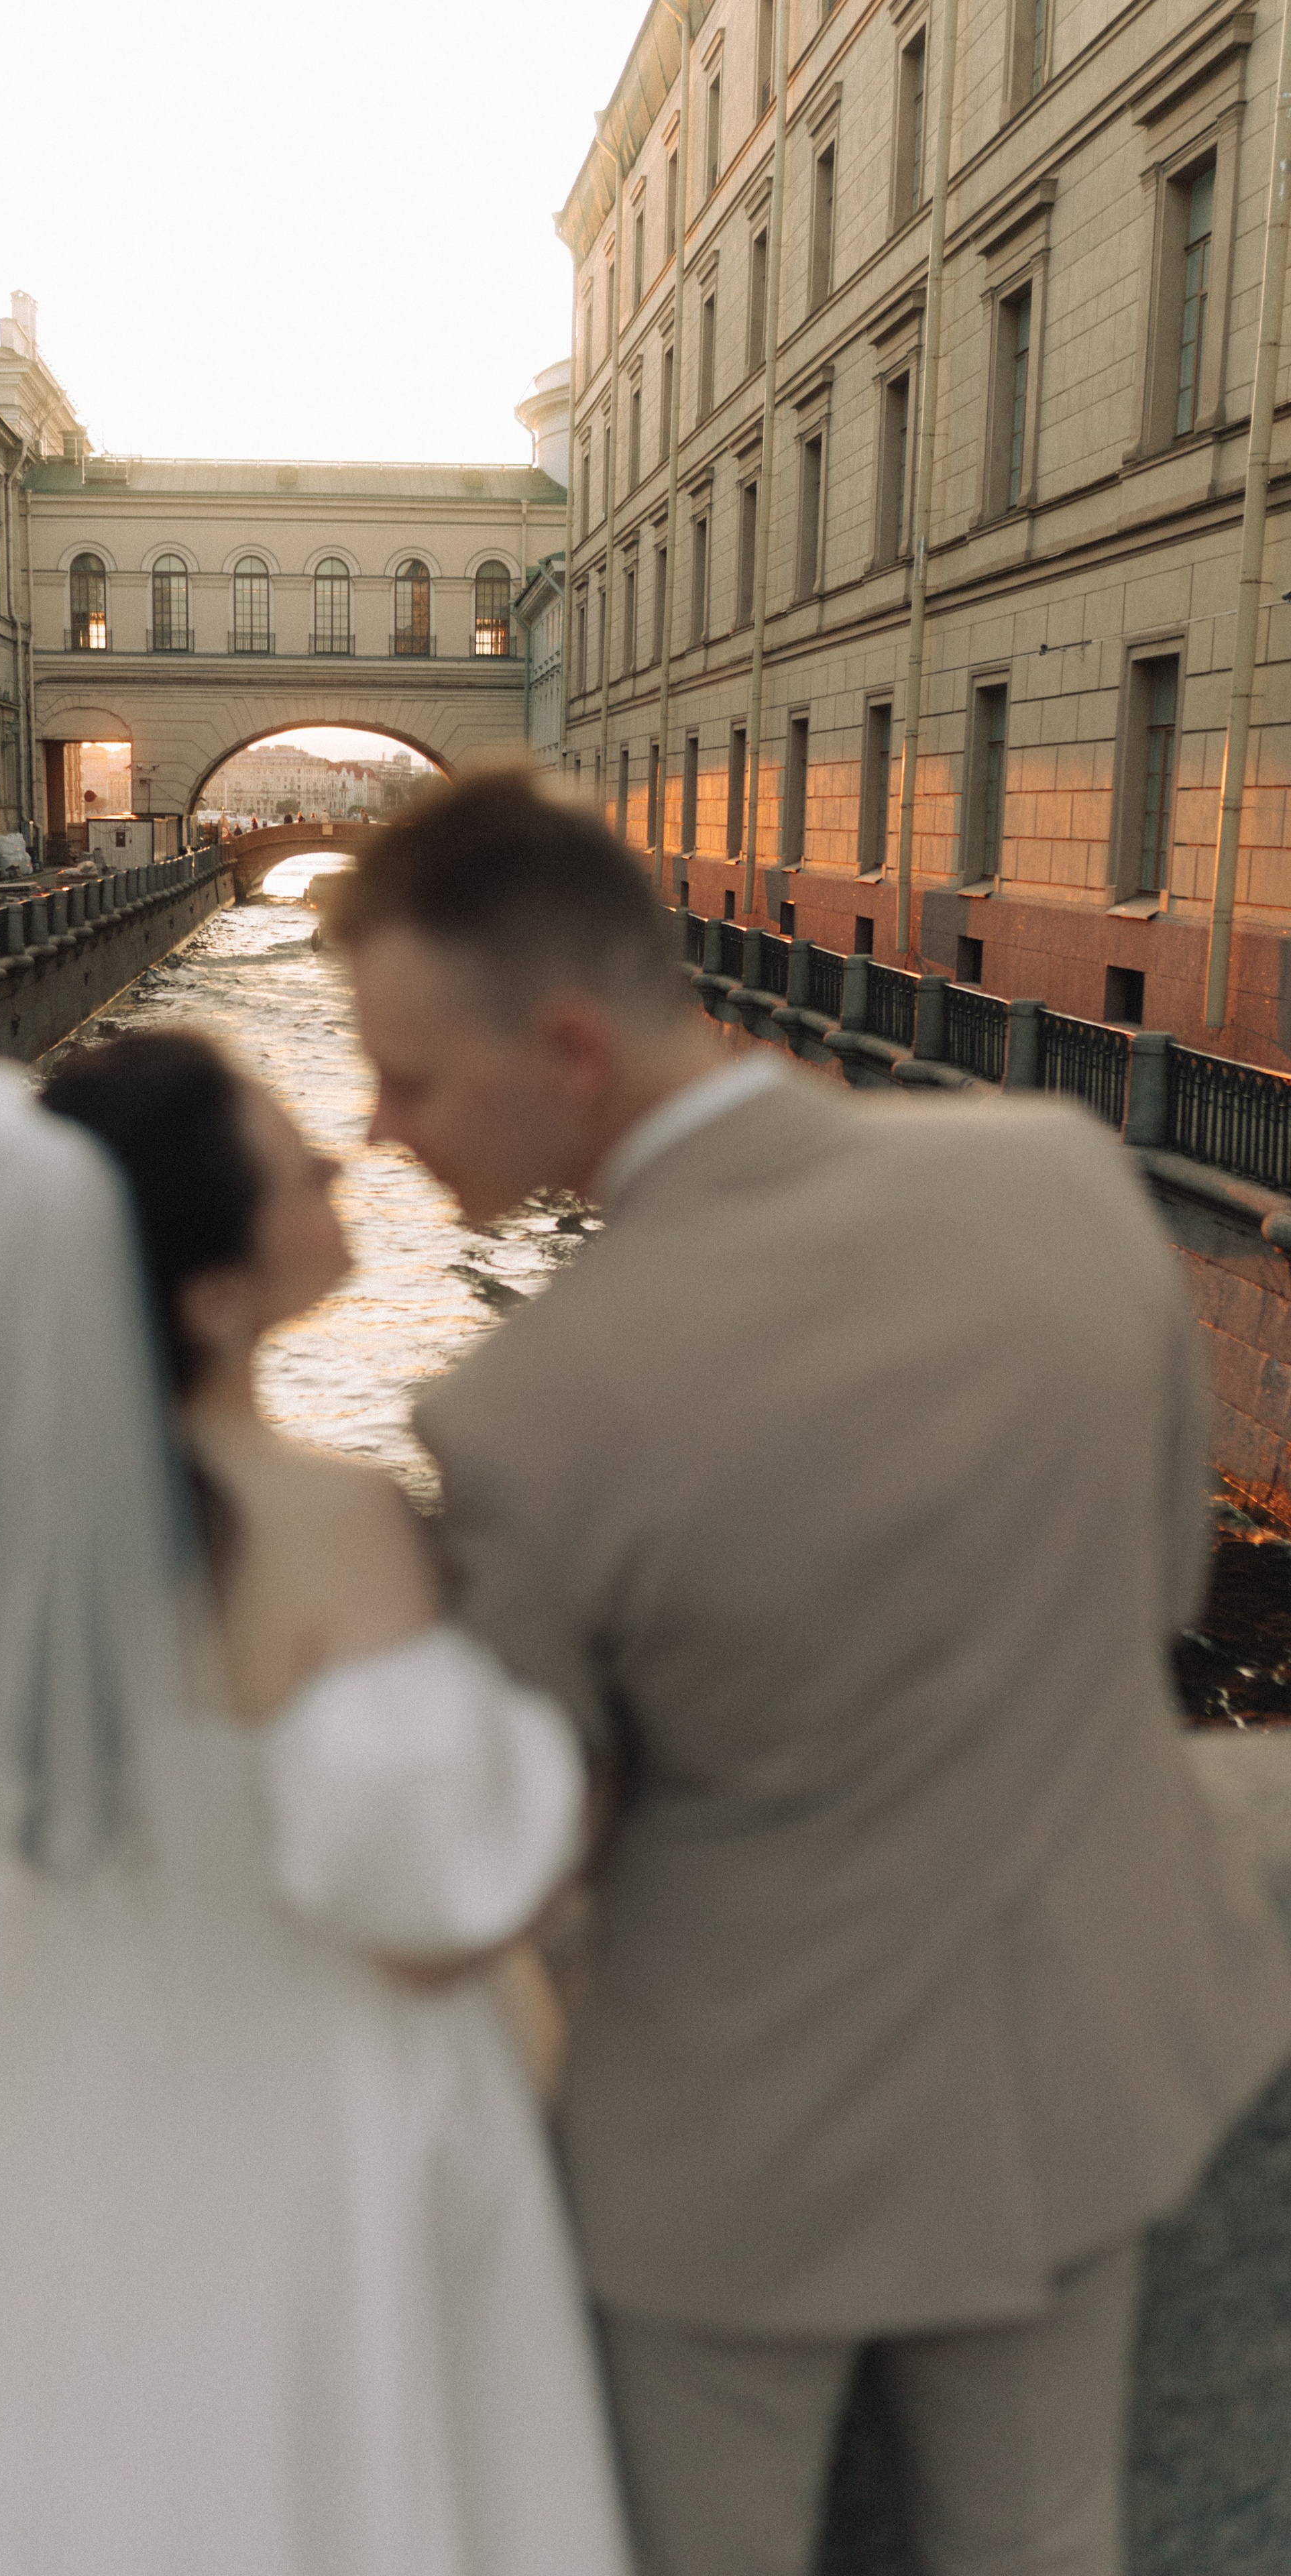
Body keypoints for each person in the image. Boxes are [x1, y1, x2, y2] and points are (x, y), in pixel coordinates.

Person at [324, 767, 1291, 2576]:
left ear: (565, 1050)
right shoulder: (1062, 1178)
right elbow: (1161, 1580)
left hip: (738, 2146)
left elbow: (515, 1846)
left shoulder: (526, 1410)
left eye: (408, 1077)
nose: (380, 1126)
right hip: (1084, 2054)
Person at [0, 1043, 632, 2576]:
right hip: (306, 2131)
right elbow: (430, 1905)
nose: (338, 1166)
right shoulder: (328, 1522)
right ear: (212, 1294)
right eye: (297, 1165)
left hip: (29, 2087)